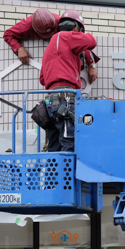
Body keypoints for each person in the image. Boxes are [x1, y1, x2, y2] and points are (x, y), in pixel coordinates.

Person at [39, 10, 97, 152]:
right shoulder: (67, 36)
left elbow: (42, 79)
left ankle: (54, 174)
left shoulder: (49, 50)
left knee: (55, 143)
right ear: (76, 28)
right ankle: (66, 173)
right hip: (65, 97)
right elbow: (91, 41)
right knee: (69, 141)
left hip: (50, 100)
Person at [3, 8, 99, 84]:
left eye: (52, 33)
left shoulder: (61, 23)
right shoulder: (26, 26)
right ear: (35, 30)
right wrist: (19, 48)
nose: (50, 37)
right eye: (45, 36)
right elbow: (8, 34)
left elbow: (80, 40)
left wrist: (91, 64)